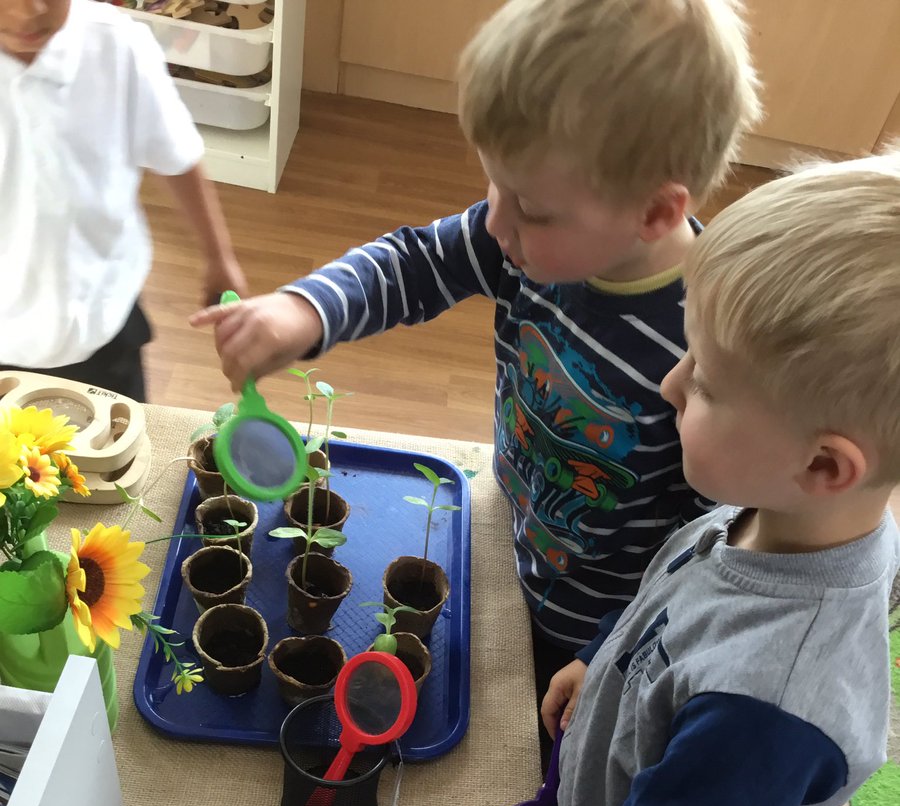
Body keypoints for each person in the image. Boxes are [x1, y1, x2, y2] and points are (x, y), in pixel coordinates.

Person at [190, 0, 760, 765]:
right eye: (493, 185)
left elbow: (711, 544)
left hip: (594, 616)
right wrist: (305, 312)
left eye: (527, 207)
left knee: (544, 751)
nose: (494, 224)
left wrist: (609, 649)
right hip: (502, 527)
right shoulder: (529, 241)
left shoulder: (711, 350)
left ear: (656, 211)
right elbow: (416, 260)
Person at [504, 151, 900, 806]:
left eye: (709, 382)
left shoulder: (776, 703)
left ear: (824, 462)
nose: (672, 383)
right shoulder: (780, 513)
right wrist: (603, 662)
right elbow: (680, 591)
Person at [0, 0, 245, 402]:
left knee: (123, 454)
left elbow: (176, 156)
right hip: (5, 338)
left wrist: (219, 258)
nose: (31, 10)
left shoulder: (116, 45)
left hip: (102, 321)